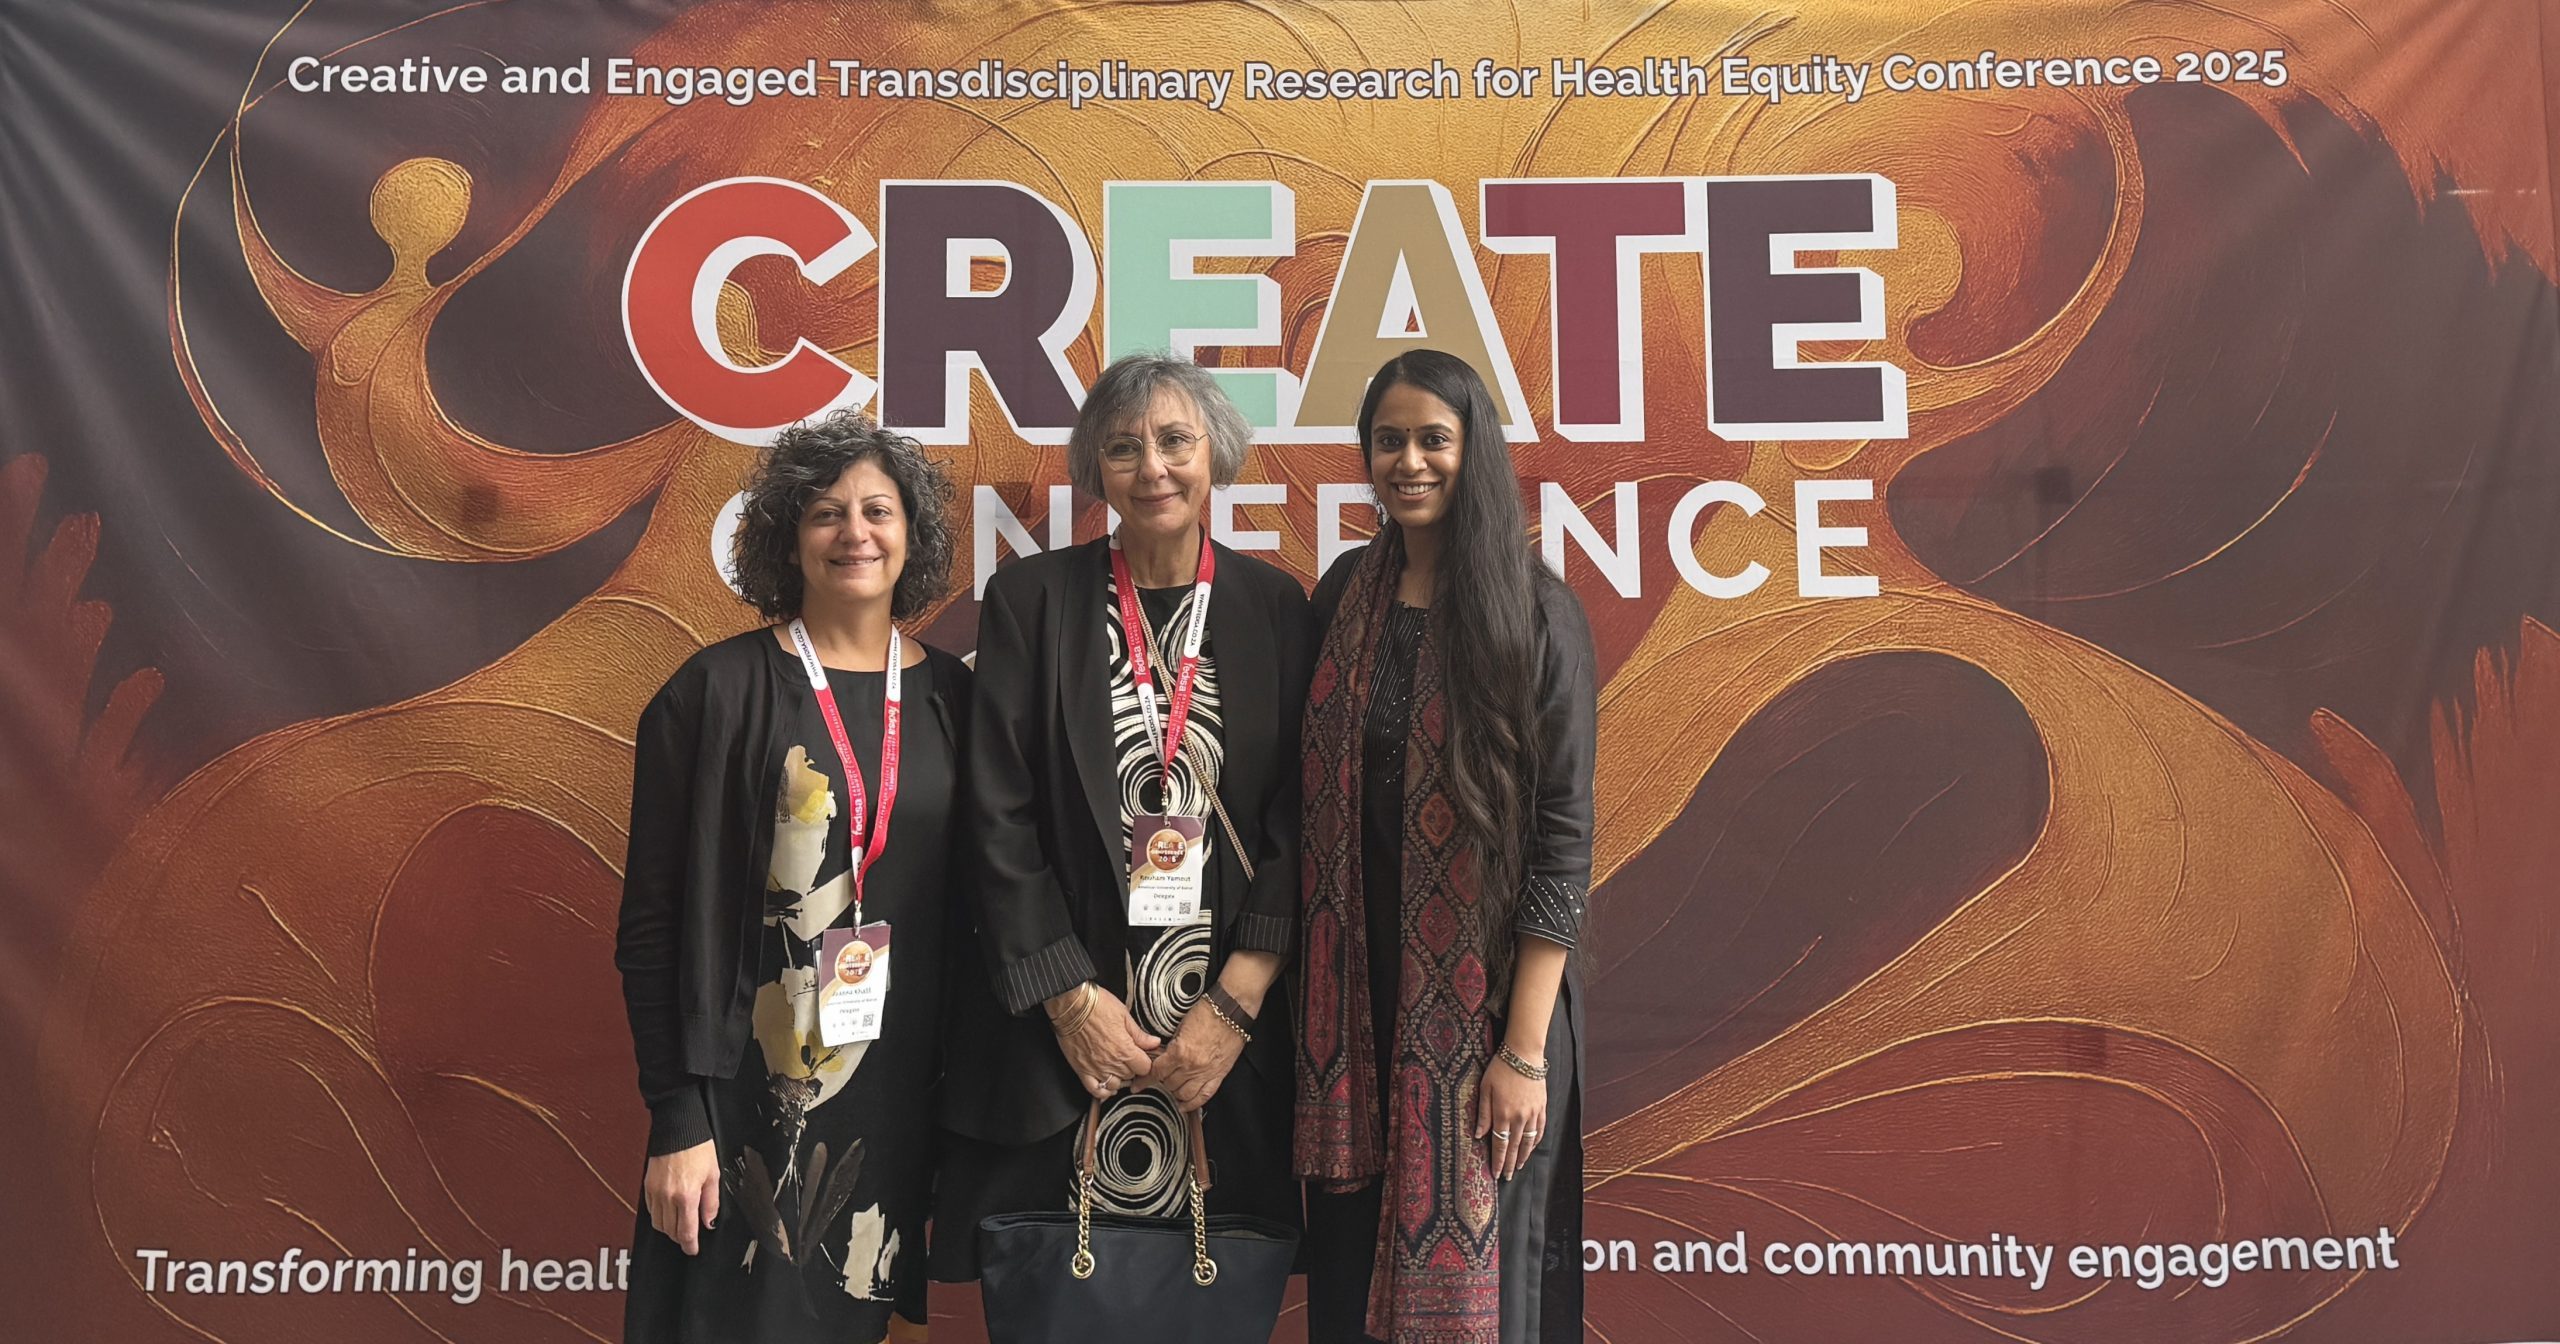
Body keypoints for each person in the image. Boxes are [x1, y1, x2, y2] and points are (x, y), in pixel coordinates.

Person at [933, 354, 1310, 1282]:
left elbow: (1303, 820)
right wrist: (1068, 1000)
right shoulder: (1032, 601)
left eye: (1176, 441)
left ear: (1214, 455)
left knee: (1206, 1300)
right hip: (1072, 1049)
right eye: (1124, 448)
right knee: (1066, 1300)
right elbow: (997, 815)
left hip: (1221, 1048)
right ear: (1094, 469)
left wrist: (1236, 1006)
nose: (1153, 468)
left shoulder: (1276, 608)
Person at [616, 410, 970, 1344]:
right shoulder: (714, 695)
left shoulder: (960, 702)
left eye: (878, 511)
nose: (855, 534)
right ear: (787, 536)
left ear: (914, 534)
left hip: (899, 1110)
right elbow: (652, 928)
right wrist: (676, 1120)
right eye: (825, 513)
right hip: (741, 1110)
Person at [1297, 349, 1596, 1344]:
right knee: (1346, 1295)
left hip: (1487, 1018)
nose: (1409, 461)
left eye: (1434, 439)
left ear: (1475, 455)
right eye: (1389, 441)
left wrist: (1521, 1051)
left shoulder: (1536, 613)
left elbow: (1561, 838)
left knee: (1491, 1309)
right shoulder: (1342, 593)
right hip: (1351, 1020)